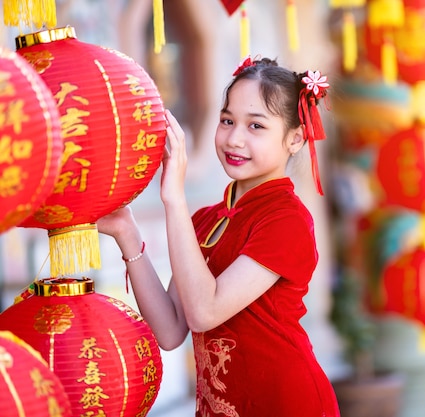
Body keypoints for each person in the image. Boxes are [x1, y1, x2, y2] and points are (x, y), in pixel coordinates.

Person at [97, 56, 339, 417]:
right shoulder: (206, 220)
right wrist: (126, 232)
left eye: (255, 126)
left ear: (294, 139)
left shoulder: (286, 219)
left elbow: (204, 312)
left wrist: (173, 196)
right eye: (227, 121)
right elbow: (170, 329)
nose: (234, 138)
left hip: (284, 403)